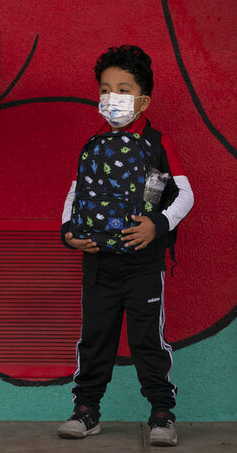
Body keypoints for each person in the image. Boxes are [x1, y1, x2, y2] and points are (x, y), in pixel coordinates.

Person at [56, 45, 194, 447]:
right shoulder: (93, 144)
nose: (111, 98)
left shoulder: (157, 143)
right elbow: (74, 194)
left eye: (122, 89)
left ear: (143, 100)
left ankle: (162, 414)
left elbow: (185, 195)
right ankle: (86, 411)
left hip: (142, 265)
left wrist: (157, 225)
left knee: (147, 339)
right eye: (104, 89)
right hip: (98, 263)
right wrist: (68, 231)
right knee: (95, 337)